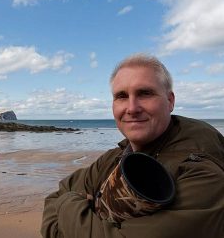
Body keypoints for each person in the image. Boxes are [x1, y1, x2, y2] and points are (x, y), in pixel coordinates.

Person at [40, 54, 224, 238]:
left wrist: (68, 203)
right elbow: (54, 201)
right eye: (121, 96)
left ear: (170, 101)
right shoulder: (116, 157)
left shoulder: (202, 171)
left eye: (145, 93)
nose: (132, 108)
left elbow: (61, 201)